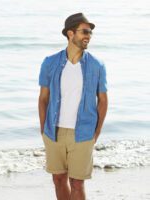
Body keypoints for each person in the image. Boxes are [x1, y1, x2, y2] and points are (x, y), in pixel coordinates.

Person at [38, 13, 108, 200]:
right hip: (54, 131)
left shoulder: (97, 65)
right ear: (70, 33)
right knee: (58, 179)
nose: (89, 36)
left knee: (77, 183)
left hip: (83, 132)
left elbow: (103, 100)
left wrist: (96, 132)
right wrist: (43, 128)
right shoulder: (50, 62)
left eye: (91, 32)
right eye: (84, 31)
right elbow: (43, 98)